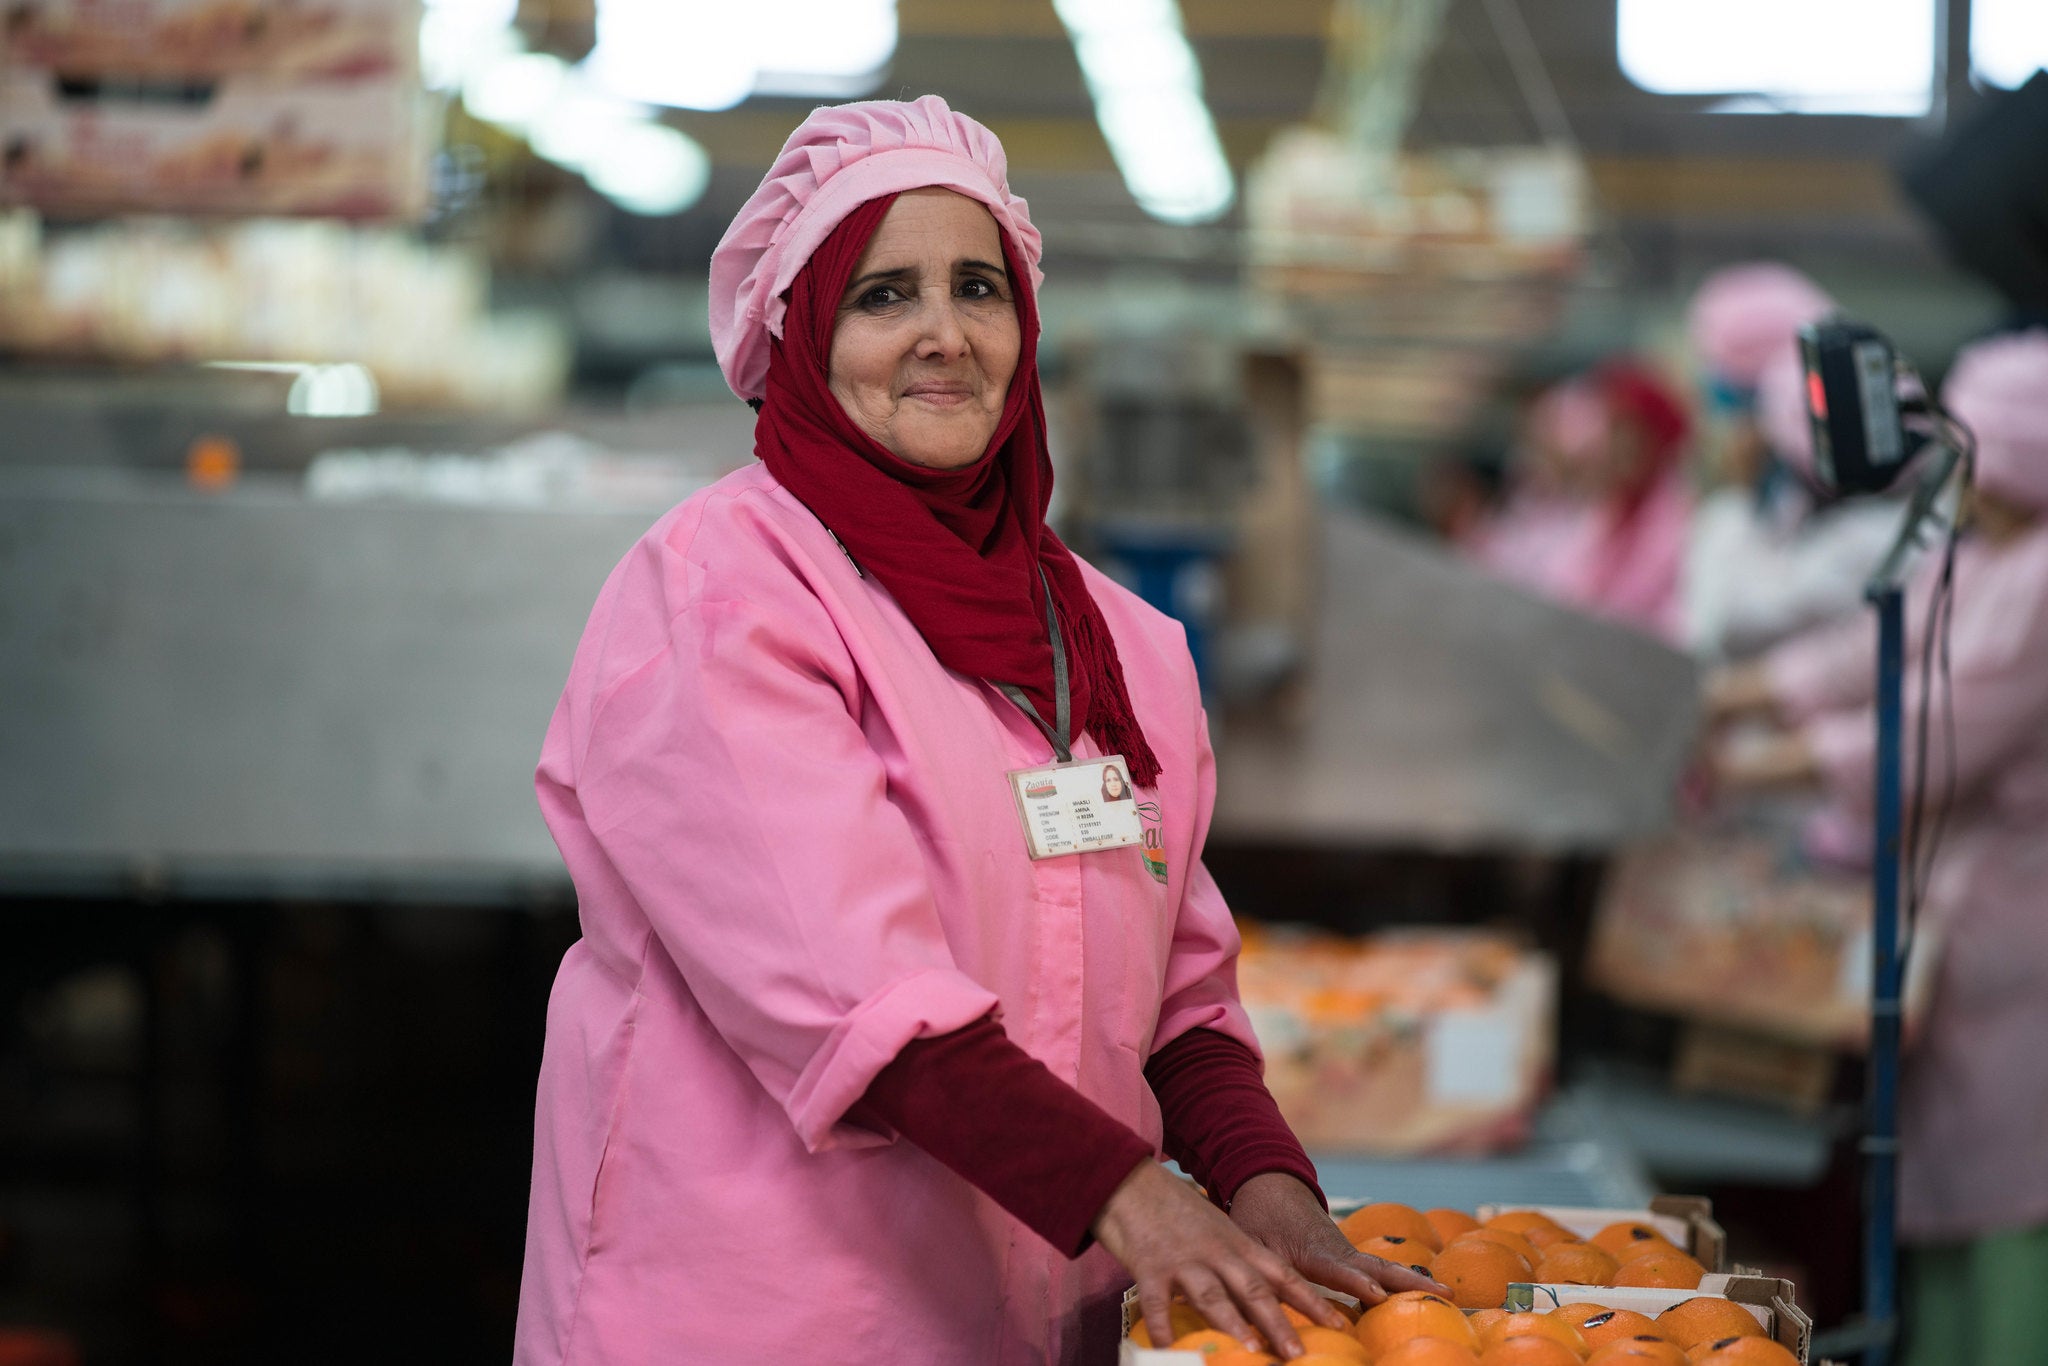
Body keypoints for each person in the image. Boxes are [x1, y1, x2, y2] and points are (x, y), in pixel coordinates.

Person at [514, 96, 1436, 1366]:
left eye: (977, 289)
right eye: (883, 295)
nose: (943, 335)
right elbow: (854, 1000)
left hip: (1034, 1310)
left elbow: (1177, 998)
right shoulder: (723, 593)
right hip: (765, 1315)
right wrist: (1133, 1196)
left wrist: (1264, 1184)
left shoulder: (1115, 643)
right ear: (803, 333)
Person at [1704, 330, 2048, 1366]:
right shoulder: (1981, 549)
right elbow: (1871, 641)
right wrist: (1723, 699)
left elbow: (1937, 725)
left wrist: (1742, 763)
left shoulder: (2039, 576)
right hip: (1958, 932)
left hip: (2023, 944)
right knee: (1937, 1202)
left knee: (2009, 1217)